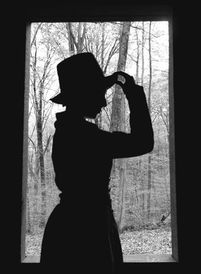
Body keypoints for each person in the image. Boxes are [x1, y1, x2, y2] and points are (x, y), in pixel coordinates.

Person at [41, 52, 153, 273]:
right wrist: (133, 93)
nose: (102, 102)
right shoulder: (87, 138)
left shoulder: (67, 133)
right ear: (83, 94)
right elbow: (143, 143)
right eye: (98, 93)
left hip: (70, 227)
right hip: (89, 231)